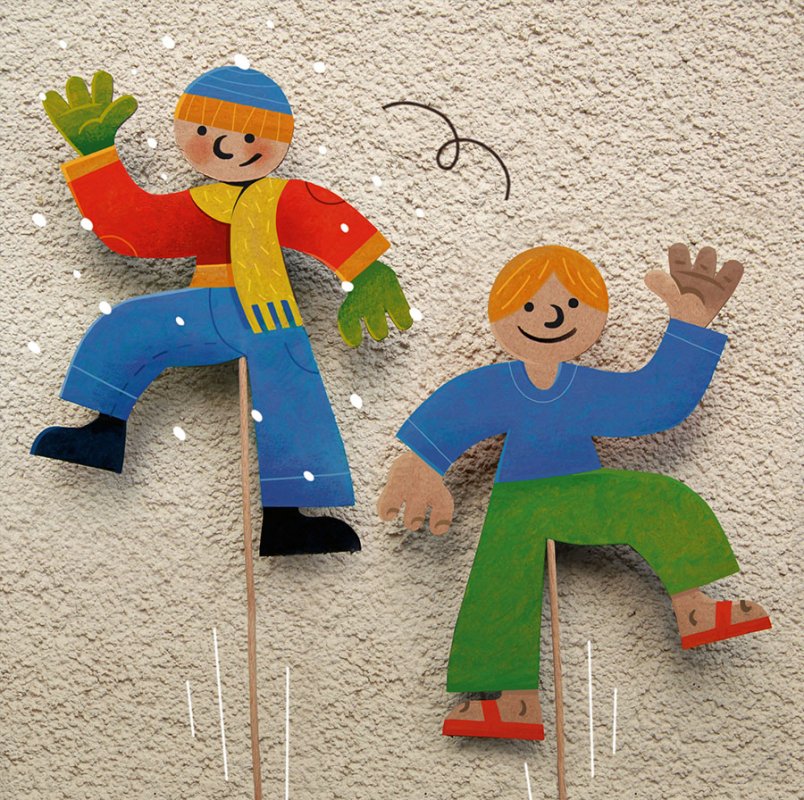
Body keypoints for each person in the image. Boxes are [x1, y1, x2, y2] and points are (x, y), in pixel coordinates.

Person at [378, 244, 771, 740]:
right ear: (503, 312)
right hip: (520, 502)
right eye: (529, 306)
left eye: (568, 305)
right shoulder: (498, 384)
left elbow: (653, 401)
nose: (550, 317)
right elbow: (455, 412)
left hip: (583, 493)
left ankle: (694, 608)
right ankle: (512, 700)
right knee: (499, 574)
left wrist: (688, 329)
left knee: (657, 497)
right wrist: (420, 466)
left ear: (591, 313)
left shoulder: (585, 387)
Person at [32, 67, 413, 556]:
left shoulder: (284, 198)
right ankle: (104, 434)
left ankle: (286, 520)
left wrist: (368, 273)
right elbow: (135, 229)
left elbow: (328, 221)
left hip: (270, 317)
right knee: (127, 324)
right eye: (208, 131)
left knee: (293, 395)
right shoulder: (200, 203)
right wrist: (97, 156)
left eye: (250, 136)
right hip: (208, 310)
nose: (231, 147)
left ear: (277, 138)